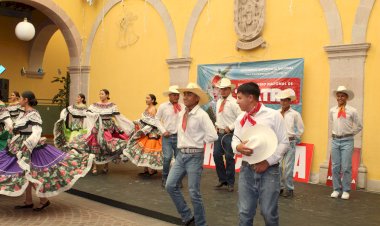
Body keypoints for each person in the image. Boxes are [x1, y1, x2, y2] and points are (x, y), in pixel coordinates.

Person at [0, 91, 94, 211]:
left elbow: (37, 130)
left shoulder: (33, 113)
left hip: (30, 146)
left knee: (32, 172)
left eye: (22, 99)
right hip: (21, 143)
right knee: (25, 172)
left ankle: (44, 200)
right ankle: (28, 200)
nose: (20, 101)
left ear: (26, 100)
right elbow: (16, 126)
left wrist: (28, 144)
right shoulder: (23, 113)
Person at [231, 82, 289, 226]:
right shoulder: (240, 119)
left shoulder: (273, 115)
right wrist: (238, 147)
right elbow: (234, 140)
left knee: (269, 213)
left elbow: (284, 142)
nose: (237, 101)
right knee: (244, 212)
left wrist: (268, 161)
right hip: (246, 169)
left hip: (269, 171)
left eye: (239, 97)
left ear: (250, 97)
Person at [166, 83, 218, 226]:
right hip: (181, 155)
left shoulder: (201, 115)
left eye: (189, 94)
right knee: (170, 185)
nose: (185, 97)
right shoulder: (182, 112)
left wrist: (198, 142)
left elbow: (213, 135)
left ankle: (201, 223)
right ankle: (188, 216)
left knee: (194, 192)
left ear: (197, 99)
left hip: (195, 156)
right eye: (185, 94)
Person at [69, 89, 134, 175]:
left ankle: (106, 166)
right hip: (97, 127)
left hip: (108, 128)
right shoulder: (94, 105)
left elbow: (118, 117)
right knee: (95, 145)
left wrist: (128, 124)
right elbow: (87, 113)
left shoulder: (112, 105)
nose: (100, 95)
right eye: (99, 94)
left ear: (107, 95)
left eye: (102, 94)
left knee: (107, 146)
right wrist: (94, 115)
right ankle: (94, 166)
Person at [330, 85, 362, 200]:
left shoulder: (352, 111)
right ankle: (336, 189)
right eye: (338, 96)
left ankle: (346, 190)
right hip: (335, 140)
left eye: (342, 96)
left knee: (346, 166)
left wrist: (350, 133)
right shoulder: (332, 110)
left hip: (347, 141)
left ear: (346, 97)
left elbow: (359, 126)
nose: (340, 98)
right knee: (335, 166)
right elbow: (332, 122)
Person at [123, 94, 163, 176]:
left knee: (149, 151)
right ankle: (146, 169)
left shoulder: (153, 109)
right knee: (143, 150)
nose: (146, 99)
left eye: (148, 98)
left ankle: (151, 169)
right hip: (146, 132)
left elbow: (152, 122)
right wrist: (138, 122)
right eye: (146, 98)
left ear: (153, 100)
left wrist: (143, 129)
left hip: (152, 133)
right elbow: (144, 120)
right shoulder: (147, 108)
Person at [213, 78, 241, 192]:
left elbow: (241, 117)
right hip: (219, 133)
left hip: (229, 134)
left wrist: (231, 127)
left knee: (229, 158)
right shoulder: (219, 101)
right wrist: (216, 125)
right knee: (216, 155)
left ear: (230, 89)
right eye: (221, 89)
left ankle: (230, 182)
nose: (223, 91)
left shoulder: (234, 102)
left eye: (225, 89)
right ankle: (222, 179)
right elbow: (218, 116)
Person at [276, 89, 304, 198]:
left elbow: (301, 129)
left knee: (288, 167)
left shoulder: (295, 114)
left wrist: (294, 137)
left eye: (285, 100)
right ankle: (280, 188)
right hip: (279, 142)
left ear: (289, 101)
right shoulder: (276, 114)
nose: (283, 102)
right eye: (281, 100)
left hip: (290, 141)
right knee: (277, 166)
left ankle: (289, 188)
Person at [155, 86, 185, 187]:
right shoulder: (163, 106)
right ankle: (165, 178)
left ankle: (178, 180)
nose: (176, 96)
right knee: (167, 158)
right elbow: (157, 119)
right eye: (174, 95)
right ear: (169, 95)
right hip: (167, 137)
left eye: (177, 95)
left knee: (179, 159)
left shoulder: (182, 107)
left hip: (179, 137)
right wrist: (163, 131)